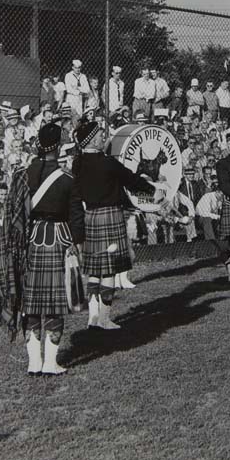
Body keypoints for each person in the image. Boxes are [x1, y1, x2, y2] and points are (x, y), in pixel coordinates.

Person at [0, 122, 84, 375]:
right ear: (58, 146)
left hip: (29, 244)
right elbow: (76, 219)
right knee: (55, 304)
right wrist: (79, 249)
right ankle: (50, 363)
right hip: (59, 242)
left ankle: (34, 362)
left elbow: (13, 215)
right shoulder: (67, 179)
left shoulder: (21, 175)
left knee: (30, 304)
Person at [71, 119, 166, 328]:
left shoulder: (77, 164)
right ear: (93, 140)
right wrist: (153, 191)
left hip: (91, 217)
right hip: (110, 216)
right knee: (110, 270)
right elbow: (131, 180)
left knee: (94, 270)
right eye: (100, 135)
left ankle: (93, 317)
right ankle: (104, 319)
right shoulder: (107, 163)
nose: (104, 137)